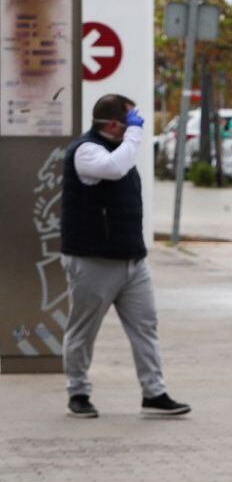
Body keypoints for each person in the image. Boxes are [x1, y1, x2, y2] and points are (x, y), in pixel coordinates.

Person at [60, 94, 190, 419]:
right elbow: (114, 169)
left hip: (132, 260)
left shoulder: (120, 150)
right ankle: (78, 392)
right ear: (115, 124)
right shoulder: (86, 151)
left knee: (146, 326)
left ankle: (154, 393)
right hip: (93, 260)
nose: (137, 124)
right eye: (132, 119)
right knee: (83, 329)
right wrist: (135, 134)